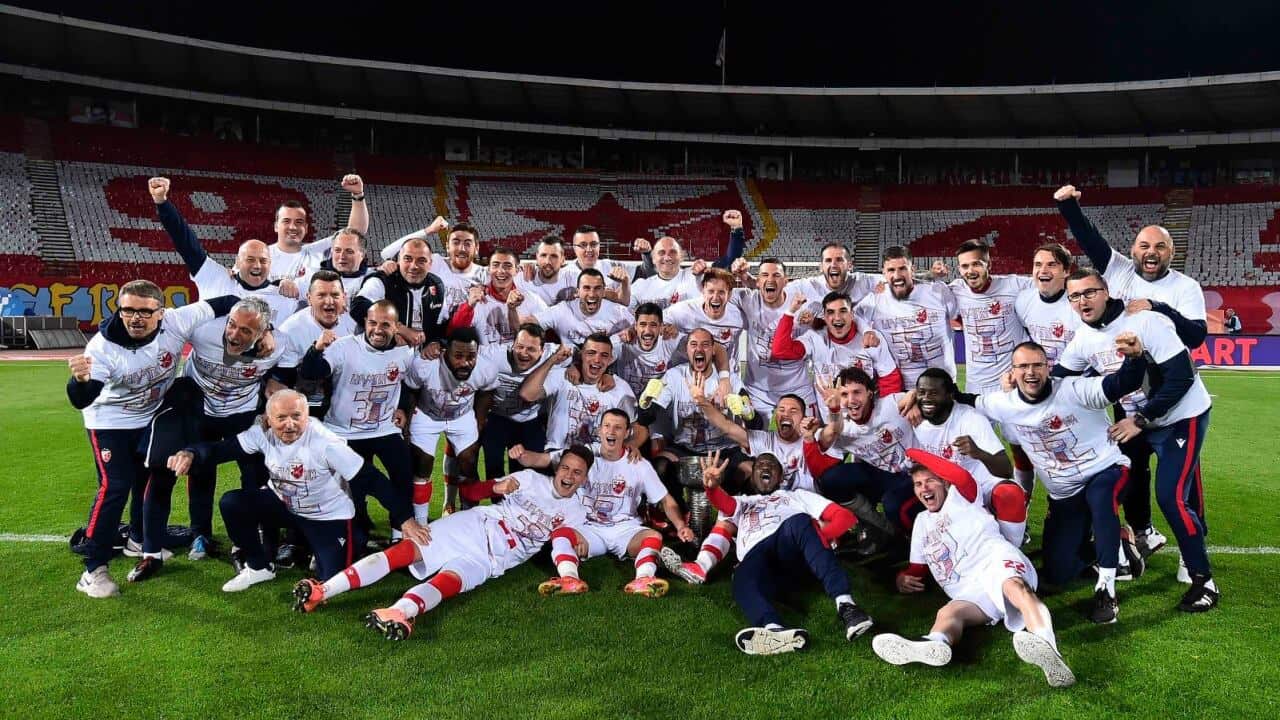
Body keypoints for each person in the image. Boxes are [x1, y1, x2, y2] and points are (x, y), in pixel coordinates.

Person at [291, 448, 594, 642]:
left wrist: (576, 550)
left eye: (577, 472)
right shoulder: (529, 478)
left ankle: (398, 612)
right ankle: (323, 590)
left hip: (496, 558)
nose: (568, 475)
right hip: (473, 526)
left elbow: (569, 542)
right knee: (404, 550)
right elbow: (470, 491)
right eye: (565, 467)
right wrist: (495, 487)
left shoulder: (578, 512)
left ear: (584, 478)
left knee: (448, 583)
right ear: (558, 467)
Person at [1056, 269, 1218, 610]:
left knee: (1172, 497)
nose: (1082, 301)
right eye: (1074, 296)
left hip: (1181, 418)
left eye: (1089, 293)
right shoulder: (1083, 337)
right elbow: (1056, 379)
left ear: (1106, 291)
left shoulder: (1146, 322)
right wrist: (1019, 377)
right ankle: (1134, 543)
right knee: (1115, 480)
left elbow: (1182, 378)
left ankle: (1204, 582)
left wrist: (1141, 421)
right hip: (1136, 422)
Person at [65, 280, 237, 597]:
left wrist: (271, 309)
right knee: (115, 486)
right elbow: (82, 398)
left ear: (161, 313)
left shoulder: (177, 320)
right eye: (128, 310)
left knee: (148, 480)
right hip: (110, 421)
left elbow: (227, 300)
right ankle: (93, 570)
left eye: (145, 311)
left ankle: (137, 538)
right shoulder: (103, 348)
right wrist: (80, 380)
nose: (136, 318)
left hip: (152, 416)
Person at [962, 339, 1148, 624]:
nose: (1031, 372)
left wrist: (1135, 358)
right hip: (1064, 494)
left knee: (1100, 498)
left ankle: (1106, 590)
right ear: (1012, 373)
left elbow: (1123, 382)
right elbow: (964, 399)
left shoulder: (1076, 390)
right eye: (1023, 366)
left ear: (1049, 367)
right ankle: (1119, 542)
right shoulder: (1003, 403)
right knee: (1056, 574)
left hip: (1105, 470)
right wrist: (916, 396)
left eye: (1037, 364)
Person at [871, 449, 1075, 688]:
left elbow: (958, 474)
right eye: (917, 484)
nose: (924, 489)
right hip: (967, 588)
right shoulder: (921, 522)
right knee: (949, 613)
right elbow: (917, 569)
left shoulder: (962, 497)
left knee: (1015, 587)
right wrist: (901, 579)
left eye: (930, 481)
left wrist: (913, 452)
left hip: (995, 560)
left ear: (944, 483)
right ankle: (935, 642)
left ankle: (1046, 645)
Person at [165, 391, 363, 592]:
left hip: (326, 516)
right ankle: (258, 567)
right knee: (233, 503)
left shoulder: (327, 441)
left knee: (332, 581)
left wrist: (398, 516)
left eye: (296, 416)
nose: (289, 424)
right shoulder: (262, 434)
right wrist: (191, 453)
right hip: (288, 506)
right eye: (281, 418)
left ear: (307, 416)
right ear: (269, 420)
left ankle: (347, 541)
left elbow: (370, 479)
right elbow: (223, 449)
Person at [682, 451, 875, 656]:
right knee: (741, 575)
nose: (765, 467)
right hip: (758, 561)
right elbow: (725, 504)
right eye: (760, 465)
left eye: (772, 465)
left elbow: (844, 517)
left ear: (781, 477)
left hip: (792, 551)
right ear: (752, 475)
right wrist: (711, 488)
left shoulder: (796, 496)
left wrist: (817, 536)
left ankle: (847, 606)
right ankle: (773, 630)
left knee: (800, 521)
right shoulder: (743, 502)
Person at [151, 296, 284, 573]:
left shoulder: (280, 344)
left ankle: (249, 535)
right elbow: (165, 323)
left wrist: (276, 380)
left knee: (254, 472)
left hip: (243, 413)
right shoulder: (204, 330)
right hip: (201, 409)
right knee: (200, 470)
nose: (234, 334)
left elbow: (290, 370)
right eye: (232, 325)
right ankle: (200, 534)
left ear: (262, 332)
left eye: (246, 330)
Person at [511, 409, 696, 597]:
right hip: (588, 527)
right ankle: (569, 579)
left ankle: (643, 579)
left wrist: (680, 525)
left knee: (653, 537)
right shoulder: (584, 456)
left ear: (627, 433)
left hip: (626, 528)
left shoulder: (638, 464)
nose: (611, 431)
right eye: (607, 426)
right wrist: (522, 455)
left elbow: (665, 500)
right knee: (560, 534)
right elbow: (543, 459)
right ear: (599, 430)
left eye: (618, 427)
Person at [298, 300, 428, 545]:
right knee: (353, 488)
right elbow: (311, 373)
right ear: (365, 323)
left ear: (397, 327)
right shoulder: (344, 347)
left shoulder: (405, 351)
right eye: (372, 323)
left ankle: (400, 533)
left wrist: (402, 407)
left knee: (403, 474)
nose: (378, 330)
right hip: (344, 430)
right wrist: (316, 349)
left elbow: (408, 384)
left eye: (386, 324)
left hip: (384, 428)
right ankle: (356, 533)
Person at [150, 177, 299, 324]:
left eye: (263, 260)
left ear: (270, 263)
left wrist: (284, 282)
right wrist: (162, 202)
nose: (257, 265)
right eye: (250, 259)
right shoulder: (213, 276)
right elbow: (183, 239)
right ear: (237, 262)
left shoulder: (285, 297)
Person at [911, 369, 1025, 546]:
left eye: (934, 393)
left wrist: (979, 453)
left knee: (1009, 493)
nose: (926, 398)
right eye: (922, 392)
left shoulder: (971, 418)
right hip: (947, 489)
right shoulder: (914, 419)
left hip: (981, 485)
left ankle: (1012, 551)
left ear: (950, 395)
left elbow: (1006, 470)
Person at [403, 327, 501, 518]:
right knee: (422, 463)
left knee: (469, 463)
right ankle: (421, 522)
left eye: (471, 356)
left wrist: (479, 420)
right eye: (458, 356)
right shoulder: (424, 365)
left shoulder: (486, 368)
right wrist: (407, 425)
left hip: (461, 417)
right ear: (445, 352)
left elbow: (487, 391)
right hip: (427, 415)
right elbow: (411, 391)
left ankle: (468, 518)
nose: (465, 362)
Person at [770, 291, 902, 420]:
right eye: (831, 312)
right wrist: (790, 312)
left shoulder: (870, 338)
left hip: (868, 421)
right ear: (825, 317)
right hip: (833, 425)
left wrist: (886, 417)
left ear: (852, 315)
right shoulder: (815, 338)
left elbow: (890, 379)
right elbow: (780, 350)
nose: (837, 317)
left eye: (843, 311)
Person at [855, 246, 958, 387]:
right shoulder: (876, 298)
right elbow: (854, 315)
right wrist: (867, 330)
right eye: (891, 270)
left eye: (902, 268)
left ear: (912, 270)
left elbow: (960, 314)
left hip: (942, 384)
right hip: (902, 388)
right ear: (883, 273)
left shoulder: (938, 291)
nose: (897, 275)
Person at [519, 333, 638, 451]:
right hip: (557, 456)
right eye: (591, 353)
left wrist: (629, 446)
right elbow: (527, 394)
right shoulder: (563, 377)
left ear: (610, 359)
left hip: (597, 459)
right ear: (581, 355)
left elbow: (636, 426)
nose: (597, 360)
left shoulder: (620, 388)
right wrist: (552, 361)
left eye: (604, 355)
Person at [269, 270, 358, 421]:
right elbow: (283, 379)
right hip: (307, 404)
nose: (329, 301)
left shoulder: (355, 323)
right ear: (309, 299)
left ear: (344, 298)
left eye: (335, 295)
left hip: (348, 400)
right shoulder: (290, 330)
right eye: (321, 295)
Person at [269, 174, 369, 286]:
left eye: (299, 222)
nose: (293, 227)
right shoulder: (262, 255)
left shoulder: (317, 251)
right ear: (276, 226)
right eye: (286, 221)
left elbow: (355, 232)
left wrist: (358, 195)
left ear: (306, 228)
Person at [350, 237, 449, 349]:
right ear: (398, 260)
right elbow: (357, 306)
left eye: (421, 261)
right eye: (408, 259)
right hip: (382, 353)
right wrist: (398, 329)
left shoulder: (437, 285)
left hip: (421, 354)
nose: (414, 266)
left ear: (430, 263)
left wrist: (435, 342)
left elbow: (442, 324)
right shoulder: (383, 280)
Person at [448, 247, 547, 346]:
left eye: (507, 266)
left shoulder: (532, 299)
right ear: (489, 269)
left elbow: (549, 332)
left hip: (522, 359)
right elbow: (452, 334)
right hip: (488, 360)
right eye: (495, 265)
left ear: (517, 270)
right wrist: (469, 306)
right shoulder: (476, 299)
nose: (501, 271)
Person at [1013, 243, 1080, 366]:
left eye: (1052, 265)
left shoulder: (1079, 306)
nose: (1043, 270)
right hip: (1041, 379)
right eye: (1038, 265)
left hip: (1075, 380)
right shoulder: (1023, 301)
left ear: (1066, 271)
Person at [537, 269, 633, 346]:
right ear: (577, 292)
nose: (592, 294)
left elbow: (639, 326)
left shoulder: (617, 312)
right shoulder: (562, 310)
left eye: (597, 288)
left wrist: (630, 331)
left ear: (604, 291)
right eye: (586, 288)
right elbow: (532, 322)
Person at [516, 235, 579, 305]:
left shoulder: (574, 279)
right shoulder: (522, 278)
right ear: (537, 257)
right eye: (543, 255)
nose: (547, 261)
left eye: (554, 256)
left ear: (563, 260)